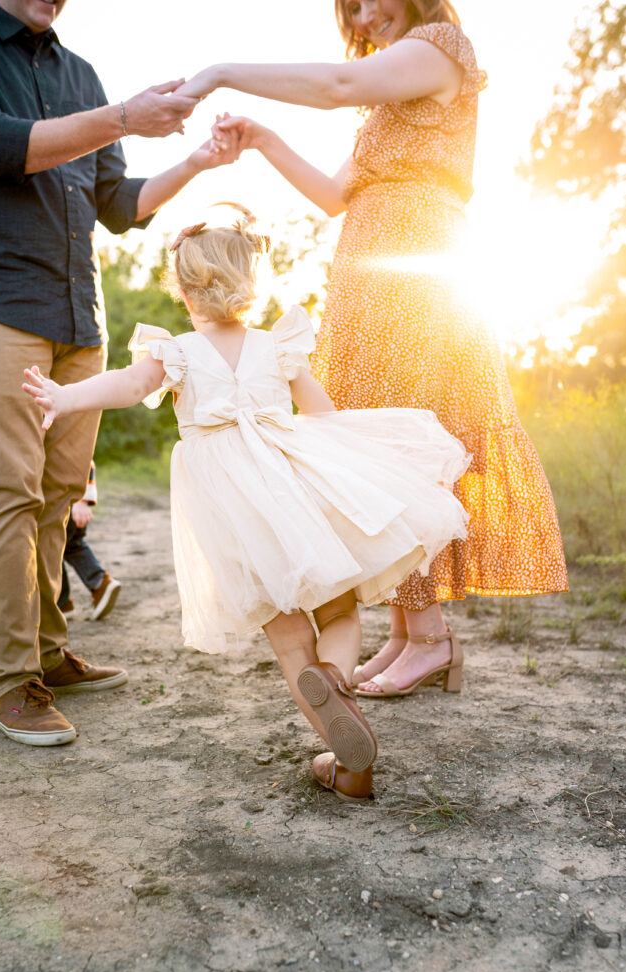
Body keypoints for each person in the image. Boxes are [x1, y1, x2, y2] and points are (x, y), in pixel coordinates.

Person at [178, 0, 569, 698]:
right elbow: (333, 195)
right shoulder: (386, 108)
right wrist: (264, 138)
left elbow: (337, 86)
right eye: (348, 8)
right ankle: (406, 632)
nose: (360, 16)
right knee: (370, 446)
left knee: (397, 442)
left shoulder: (439, 45)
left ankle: (429, 639)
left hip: (417, 265)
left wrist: (222, 73)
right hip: (367, 267)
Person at [23, 214, 470, 799]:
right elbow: (326, 420)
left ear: (182, 290)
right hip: (299, 491)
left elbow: (128, 388)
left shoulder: (175, 351)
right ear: (249, 281)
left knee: (288, 641)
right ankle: (334, 683)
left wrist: (64, 395)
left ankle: (346, 758)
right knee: (338, 614)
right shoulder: (279, 345)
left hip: (238, 512)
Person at [0, 0, 239, 746]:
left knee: (62, 493)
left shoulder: (82, 74)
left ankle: (50, 655)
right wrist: (124, 115)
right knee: (13, 489)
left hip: (77, 316)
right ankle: (10, 680)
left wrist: (195, 161)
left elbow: (116, 206)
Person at [58, 462, 121, 621]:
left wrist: (81, 500)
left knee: (50, 550)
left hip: (67, 502)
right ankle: (99, 584)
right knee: (72, 546)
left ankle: (61, 602)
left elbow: (85, 458)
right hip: (66, 501)